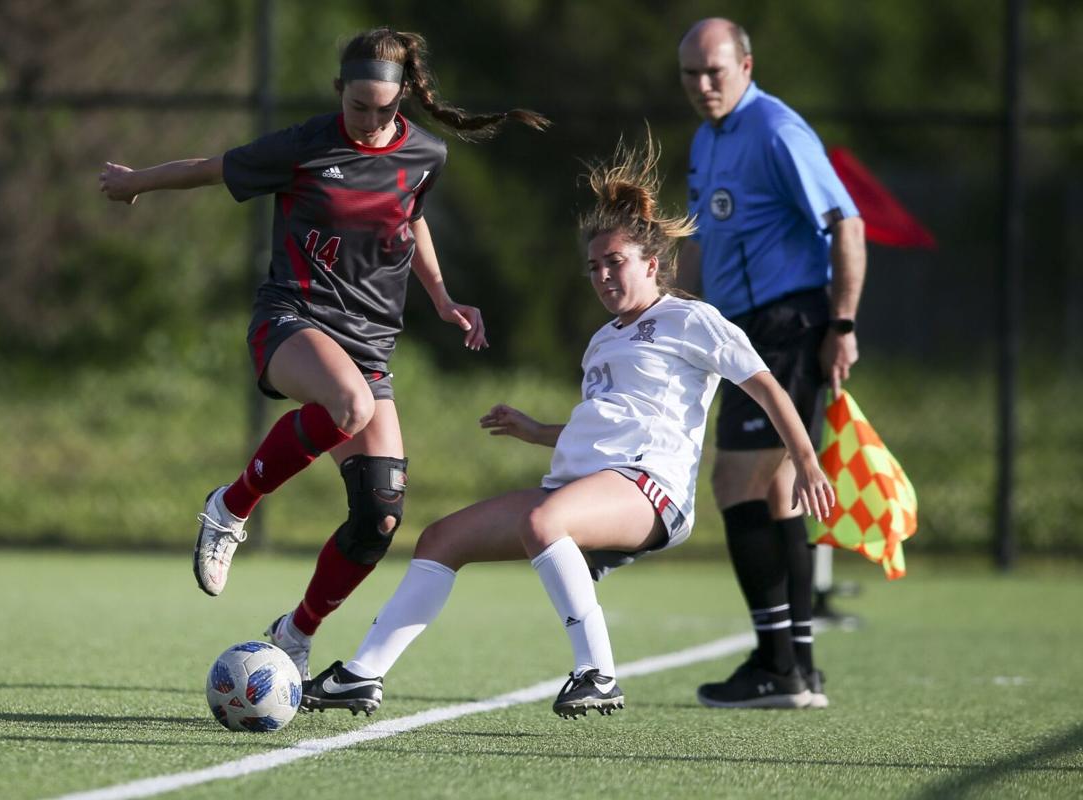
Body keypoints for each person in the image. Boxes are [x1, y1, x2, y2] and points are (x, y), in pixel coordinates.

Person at [300, 132, 835, 719]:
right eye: (594, 267)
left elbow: (766, 386)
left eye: (617, 263)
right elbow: (607, 423)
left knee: (543, 519)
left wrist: (806, 461)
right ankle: (362, 675)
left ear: (652, 264)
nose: (604, 275)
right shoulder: (603, 341)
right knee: (440, 539)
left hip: (649, 489)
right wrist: (538, 431)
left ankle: (598, 673)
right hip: (579, 487)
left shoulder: (691, 320)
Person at [99, 27, 548, 680]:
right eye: (358, 106)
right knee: (349, 402)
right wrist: (136, 180)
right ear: (340, 92)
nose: (370, 121)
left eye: (384, 109)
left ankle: (296, 631)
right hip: (291, 321)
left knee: (381, 514)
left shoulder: (426, 154)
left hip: (369, 345)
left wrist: (444, 299)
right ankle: (231, 505)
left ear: (403, 101)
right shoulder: (304, 146)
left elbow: (411, 217)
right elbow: (208, 168)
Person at [676, 18, 868, 709]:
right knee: (779, 489)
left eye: (715, 72)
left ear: (747, 66)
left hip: (786, 323)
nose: (702, 85)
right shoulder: (706, 137)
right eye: (691, 74)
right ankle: (795, 667)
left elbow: (846, 222)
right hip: (739, 329)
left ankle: (776, 663)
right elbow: (700, 239)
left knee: (736, 481)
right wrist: (674, 313)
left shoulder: (778, 131)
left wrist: (841, 324)